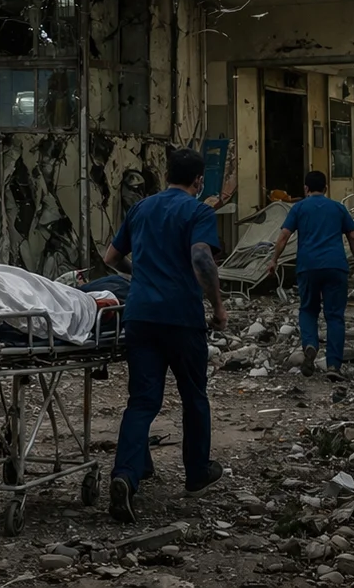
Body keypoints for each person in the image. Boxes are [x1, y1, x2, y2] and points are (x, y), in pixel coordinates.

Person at [100, 147, 227, 524]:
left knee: (142, 401)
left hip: (140, 316)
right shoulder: (198, 211)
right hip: (181, 317)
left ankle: (126, 475)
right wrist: (218, 306)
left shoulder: (141, 208)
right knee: (193, 396)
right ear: (199, 180)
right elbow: (202, 258)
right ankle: (197, 473)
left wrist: (141, 272)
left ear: (167, 174)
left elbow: (110, 258)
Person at [266, 171, 354, 378]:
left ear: (306, 188)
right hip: (336, 266)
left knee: (308, 310)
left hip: (308, 267)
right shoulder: (338, 208)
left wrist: (274, 259)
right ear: (326, 188)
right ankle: (333, 366)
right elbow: (353, 237)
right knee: (334, 316)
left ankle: (310, 344)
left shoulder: (299, 208)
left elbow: (284, 236)